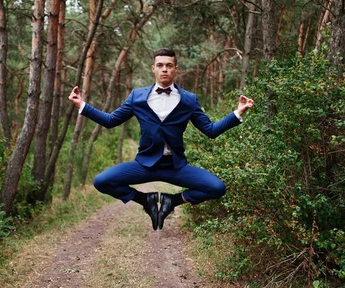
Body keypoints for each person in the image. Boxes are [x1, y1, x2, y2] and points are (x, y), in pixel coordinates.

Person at [68, 48, 253, 230]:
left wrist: (237, 112)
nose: (164, 69)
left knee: (217, 188)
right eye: (160, 65)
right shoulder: (137, 97)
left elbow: (210, 130)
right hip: (144, 165)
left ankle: (171, 200)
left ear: (176, 69)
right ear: (153, 69)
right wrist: (81, 104)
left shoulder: (189, 100)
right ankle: (145, 200)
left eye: (169, 65)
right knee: (101, 181)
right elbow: (110, 121)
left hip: (175, 167)